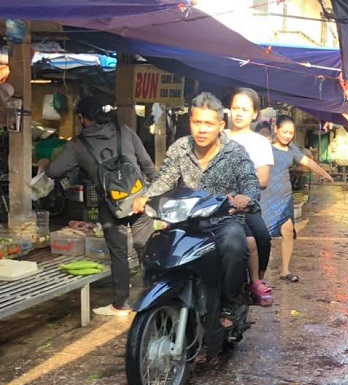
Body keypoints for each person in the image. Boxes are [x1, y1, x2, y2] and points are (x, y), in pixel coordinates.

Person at [132, 92, 259, 326]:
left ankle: (230, 303)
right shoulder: (180, 148)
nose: (202, 129)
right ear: (190, 121)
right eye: (197, 122)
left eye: (209, 124)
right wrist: (146, 196)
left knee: (234, 244)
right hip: (186, 221)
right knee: (155, 247)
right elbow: (165, 179)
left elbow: (251, 184)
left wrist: (245, 198)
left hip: (223, 222)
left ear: (221, 125)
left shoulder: (236, 152)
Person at [38, 96, 155, 317]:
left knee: (119, 254)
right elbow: (148, 165)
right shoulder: (125, 131)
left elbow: (54, 172)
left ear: (82, 118)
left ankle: (121, 305)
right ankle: (155, 299)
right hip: (140, 199)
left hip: (111, 205)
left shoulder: (77, 145)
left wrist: (44, 165)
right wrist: (153, 195)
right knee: (147, 249)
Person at [261, 115, 334, 283]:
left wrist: (324, 174)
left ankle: (285, 270)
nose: (287, 136)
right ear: (276, 129)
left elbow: (308, 162)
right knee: (262, 236)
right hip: (265, 198)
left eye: (291, 133)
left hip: (285, 198)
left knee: (287, 230)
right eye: (285, 132)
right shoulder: (265, 148)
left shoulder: (292, 149)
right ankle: (258, 273)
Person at [226, 88, 274, 306]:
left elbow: (262, 180)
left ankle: (257, 281)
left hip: (247, 204)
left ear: (255, 114)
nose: (238, 113)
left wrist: (242, 195)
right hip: (218, 201)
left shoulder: (260, 142)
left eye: (244, 109)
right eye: (235, 108)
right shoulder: (220, 136)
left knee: (262, 237)